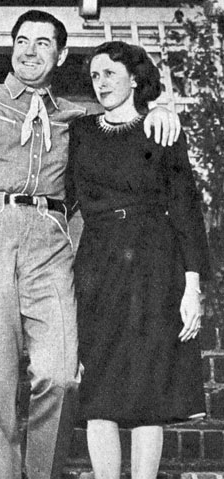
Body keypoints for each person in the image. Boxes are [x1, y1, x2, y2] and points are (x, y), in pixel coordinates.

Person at [0, 11, 181, 479]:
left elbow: (121, 133)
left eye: (43, 43)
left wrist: (159, 110)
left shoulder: (75, 120)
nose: (29, 50)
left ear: (60, 55)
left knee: (61, 373)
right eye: (22, 40)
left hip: (50, 241)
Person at [65, 41, 211, 479]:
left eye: (110, 72)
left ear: (134, 77)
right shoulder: (82, 132)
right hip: (98, 267)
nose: (101, 82)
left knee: (150, 391)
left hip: (154, 265)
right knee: (100, 391)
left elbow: (186, 208)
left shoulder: (161, 129)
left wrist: (192, 287)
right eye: (94, 76)